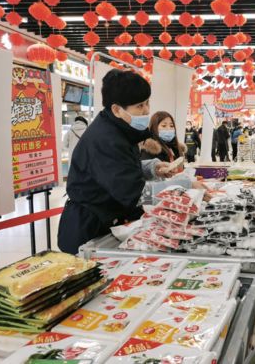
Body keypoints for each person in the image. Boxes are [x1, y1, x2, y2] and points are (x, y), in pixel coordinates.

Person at [58, 70, 187, 254]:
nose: (147, 110)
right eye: (140, 106)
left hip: (115, 221)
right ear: (117, 109)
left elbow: (121, 168)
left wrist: (153, 168)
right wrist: (182, 187)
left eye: (147, 103)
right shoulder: (105, 139)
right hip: (92, 229)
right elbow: (136, 194)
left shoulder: (121, 129)